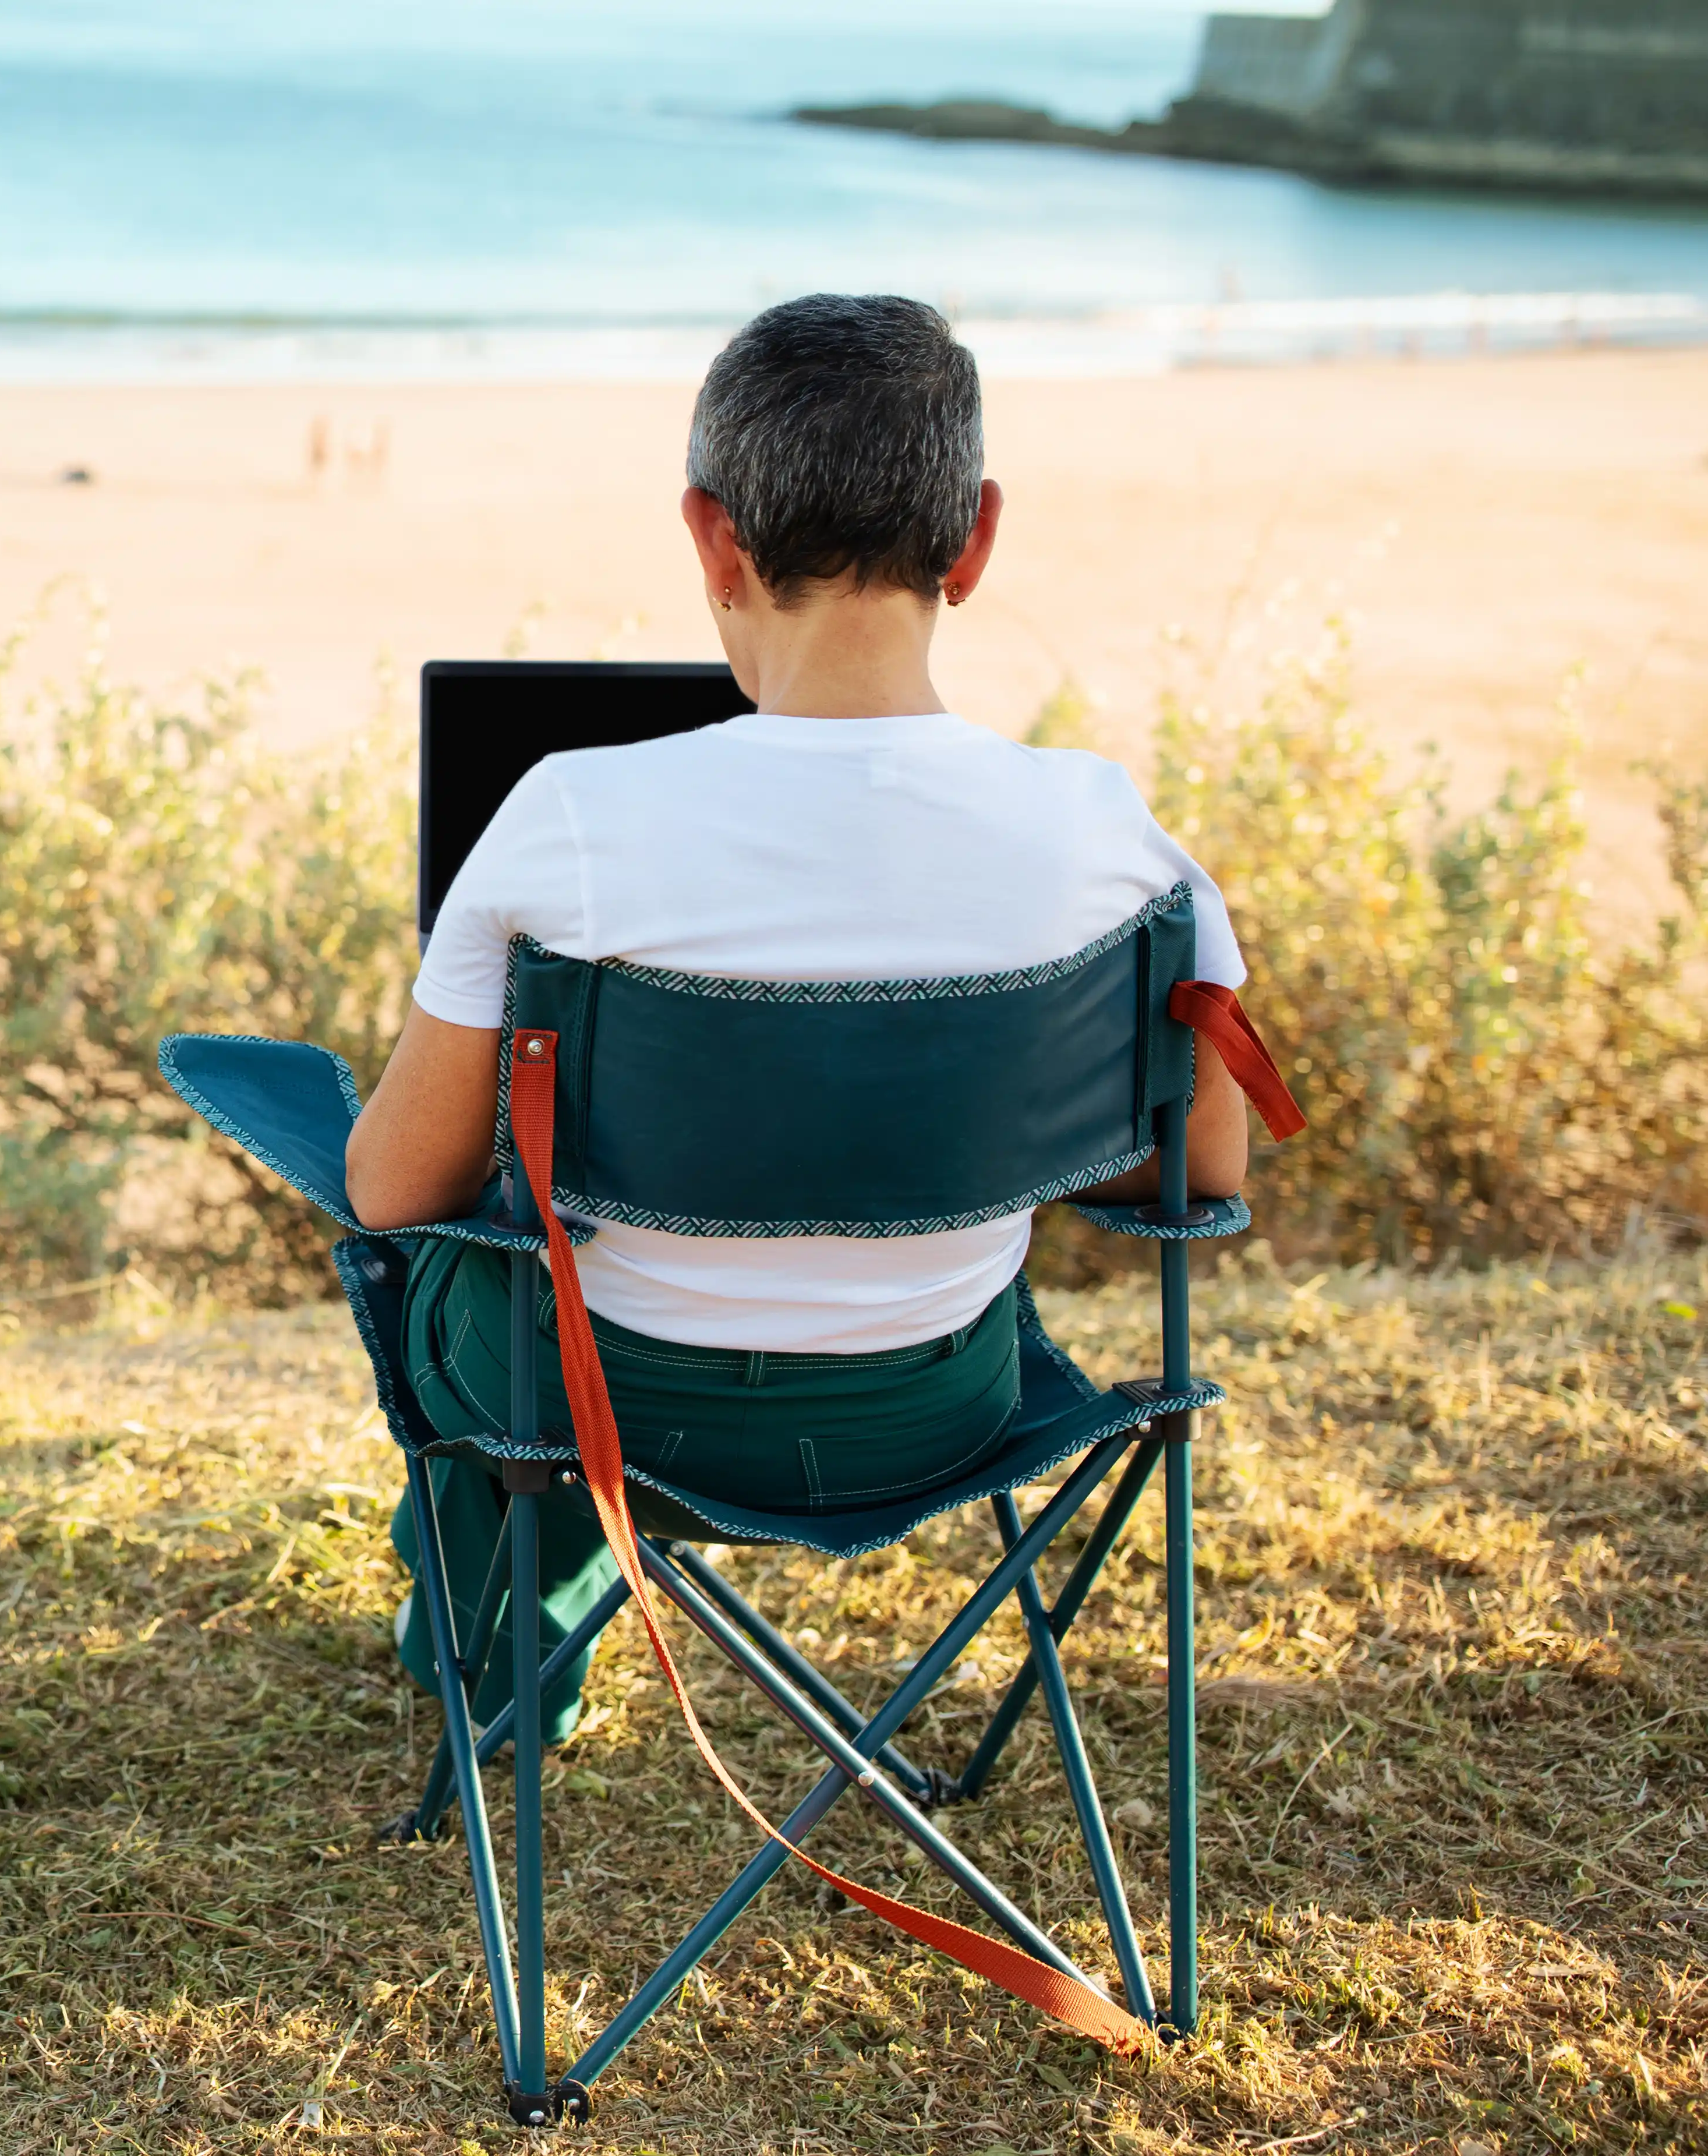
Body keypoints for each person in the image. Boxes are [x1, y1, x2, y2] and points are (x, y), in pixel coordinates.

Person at [342, 294, 1256, 1747]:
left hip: (609, 1417)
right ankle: (500, 1613)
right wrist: (937, 1120)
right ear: (974, 537)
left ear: (712, 536)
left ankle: (490, 1625)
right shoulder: (1114, 846)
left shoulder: (569, 819)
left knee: (452, 1273)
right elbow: (1199, 1175)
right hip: (937, 1413)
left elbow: (399, 1189)